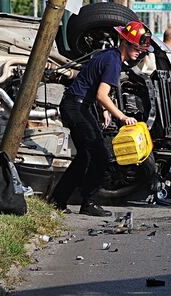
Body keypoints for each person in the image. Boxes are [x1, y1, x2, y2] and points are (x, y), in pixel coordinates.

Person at [49, 20, 150, 217]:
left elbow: (93, 85)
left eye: (141, 49)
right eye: (137, 47)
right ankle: (89, 202)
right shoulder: (113, 61)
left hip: (77, 105)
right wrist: (121, 116)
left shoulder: (109, 56)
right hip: (76, 106)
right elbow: (101, 95)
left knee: (85, 157)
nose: (139, 52)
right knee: (100, 156)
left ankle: (58, 199)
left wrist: (104, 110)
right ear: (125, 42)